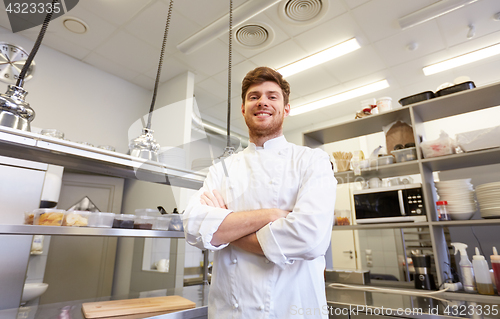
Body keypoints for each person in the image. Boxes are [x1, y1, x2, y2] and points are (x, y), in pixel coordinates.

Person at [183, 66, 337, 319]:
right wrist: (273, 215)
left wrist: (224, 227)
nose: (262, 102)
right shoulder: (222, 168)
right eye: (254, 96)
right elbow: (192, 225)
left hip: (291, 310)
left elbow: (310, 238)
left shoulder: (312, 160)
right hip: (230, 311)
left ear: (286, 109)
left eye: (272, 96)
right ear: (243, 108)